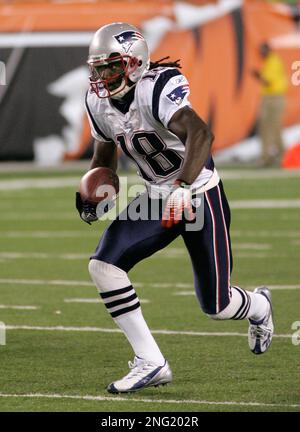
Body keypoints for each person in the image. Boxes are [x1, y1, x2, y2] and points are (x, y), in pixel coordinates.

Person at [76, 23, 274, 394]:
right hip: (155, 196)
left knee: (217, 305)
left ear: (134, 63)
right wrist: (94, 190)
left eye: (110, 66)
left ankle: (259, 306)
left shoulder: (157, 87)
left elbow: (201, 134)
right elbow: (105, 153)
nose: (102, 76)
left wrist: (184, 185)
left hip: (198, 193)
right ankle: (151, 362)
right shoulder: (98, 102)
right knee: (103, 266)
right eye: (97, 68)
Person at [252, 42, 288, 167]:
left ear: (268, 50)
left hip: (273, 98)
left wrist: (257, 75)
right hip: (273, 98)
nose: (260, 53)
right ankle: (283, 156)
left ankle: (265, 158)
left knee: (267, 128)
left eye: (262, 50)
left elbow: (267, 82)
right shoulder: (270, 61)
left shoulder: (273, 61)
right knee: (275, 128)